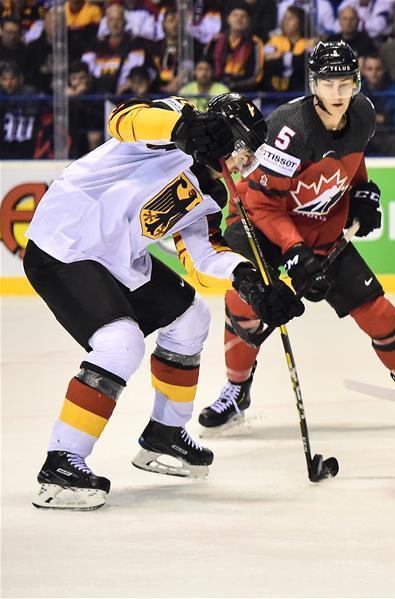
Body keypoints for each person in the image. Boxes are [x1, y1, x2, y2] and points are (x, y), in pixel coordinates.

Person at [24, 93, 303, 510]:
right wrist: (183, 129)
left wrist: (248, 282)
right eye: (244, 151)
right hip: (65, 242)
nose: (247, 164)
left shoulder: (212, 193)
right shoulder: (174, 120)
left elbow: (202, 258)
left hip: (117, 258)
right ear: (224, 135)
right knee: (121, 343)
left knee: (191, 318)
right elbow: (124, 119)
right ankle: (61, 462)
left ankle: (164, 436)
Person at [200, 41, 395, 432]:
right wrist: (294, 251)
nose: (336, 94)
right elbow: (264, 205)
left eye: (344, 84)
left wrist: (361, 193)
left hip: (318, 228)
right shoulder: (291, 130)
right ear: (314, 84)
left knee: (381, 313)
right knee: (244, 303)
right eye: (327, 84)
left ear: (356, 82)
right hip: (259, 226)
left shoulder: (362, 113)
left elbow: (351, 159)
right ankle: (236, 390)